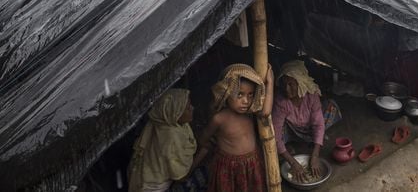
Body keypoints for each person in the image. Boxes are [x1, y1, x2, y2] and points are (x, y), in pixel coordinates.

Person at [192, 63, 273, 192]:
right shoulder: (219, 118)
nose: (246, 101)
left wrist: (269, 83)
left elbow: (266, 112)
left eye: (250, 94)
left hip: (252, 163)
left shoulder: (250, 113)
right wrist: (212, 146)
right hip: (228, 166)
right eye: (239, 95)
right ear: (226, 93)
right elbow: (203, 138)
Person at [272, 60, 342, 183]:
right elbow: (276, 135)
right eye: (284, 84)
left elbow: (318, 125)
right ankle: (289, 146)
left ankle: (313, 140)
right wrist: (292, 162)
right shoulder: (281, 101)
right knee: (273, 131)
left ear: (300, 82)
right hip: (292, 130)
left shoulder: (311, 95)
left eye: (291, 84)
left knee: (331, 107)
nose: (287, 89)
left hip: (309, 128)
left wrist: (315, 156)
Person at [128, 88, 197, 192]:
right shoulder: (171, 136)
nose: (192, 108)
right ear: (176, 113)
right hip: (152, 187)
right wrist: (202, 153)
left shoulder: (164, 122)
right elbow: (180, 176)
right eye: (187, 108)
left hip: (144, 173)